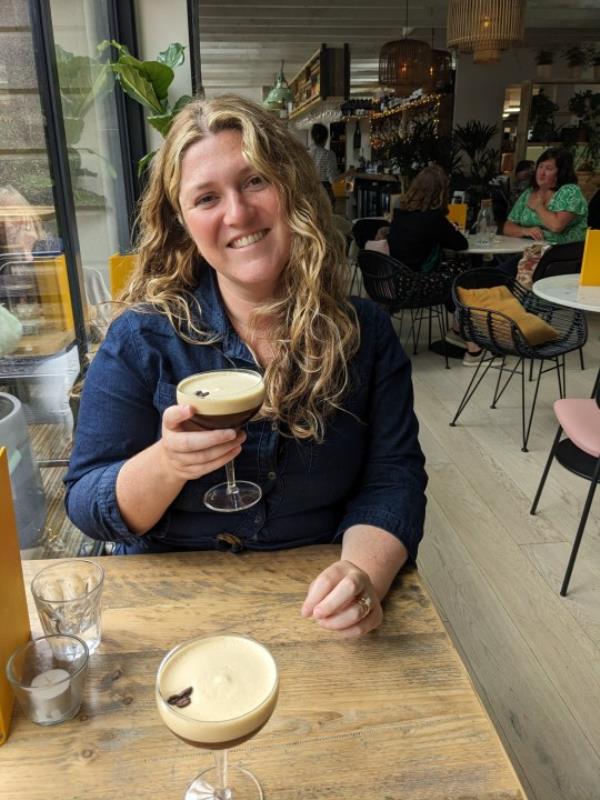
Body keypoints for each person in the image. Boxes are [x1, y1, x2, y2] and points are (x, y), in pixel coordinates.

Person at [64, 96, 427, 638]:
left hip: (314, 594)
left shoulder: (365, 333)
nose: (237, 213)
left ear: (290, 189)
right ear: (182, 222)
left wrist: (361, 573)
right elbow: (86, 501)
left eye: (255, 181)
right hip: (166, 601)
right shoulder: (143, 337)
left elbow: (393, 478)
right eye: (207, 197)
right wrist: (168, 462)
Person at [387, 165, 468, 272]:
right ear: (441, 193)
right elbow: (461, 244)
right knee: (464, 267)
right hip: (421, 281)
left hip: (395, 279)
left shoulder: (400, 213)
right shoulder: (433, 218)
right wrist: (450, 228)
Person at [504, 148, 588, 246]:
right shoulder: (529, 192)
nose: (541, 173)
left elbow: (556, 226)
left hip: (562, 252)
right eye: (540, 167)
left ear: (561, 173)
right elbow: (507, 227)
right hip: (528, 249)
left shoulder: (570, 191)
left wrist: (538, 207)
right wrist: (525, 231)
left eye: (549, 169)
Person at [308, 123, 339, 206]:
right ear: (326, 138)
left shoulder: (306, 154)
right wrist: (348, 173)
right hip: (325, 193)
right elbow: (333, 179)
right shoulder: (329, 155)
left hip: (309, 193)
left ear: (312, 138)